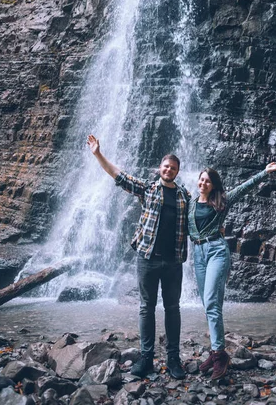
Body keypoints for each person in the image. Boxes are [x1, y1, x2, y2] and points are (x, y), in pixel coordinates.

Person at [87, 134, 190, 380]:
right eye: (166, 166)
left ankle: (173, 360)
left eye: (173, 168)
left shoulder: (184, 196)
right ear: (160, 168)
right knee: (146, 308)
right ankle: (146, 359)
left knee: (173, 309)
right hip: (148, 258)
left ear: (177, 172)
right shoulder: (148, 188)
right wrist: (98, 154)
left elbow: (202, 214)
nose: (169, 170)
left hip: (174, 261)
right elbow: (119, 176)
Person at [189, 160, 276, 380]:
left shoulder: (221, 201)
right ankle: (215, 351)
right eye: (201, 179)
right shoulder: (190, 203)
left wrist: (264, 172)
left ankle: (220, 355)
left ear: (213, 185)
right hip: (198, 254)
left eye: (208, 181)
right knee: (208, 303)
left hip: (216, 251)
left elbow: (244, 188)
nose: (203, 183)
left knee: (211, 302)